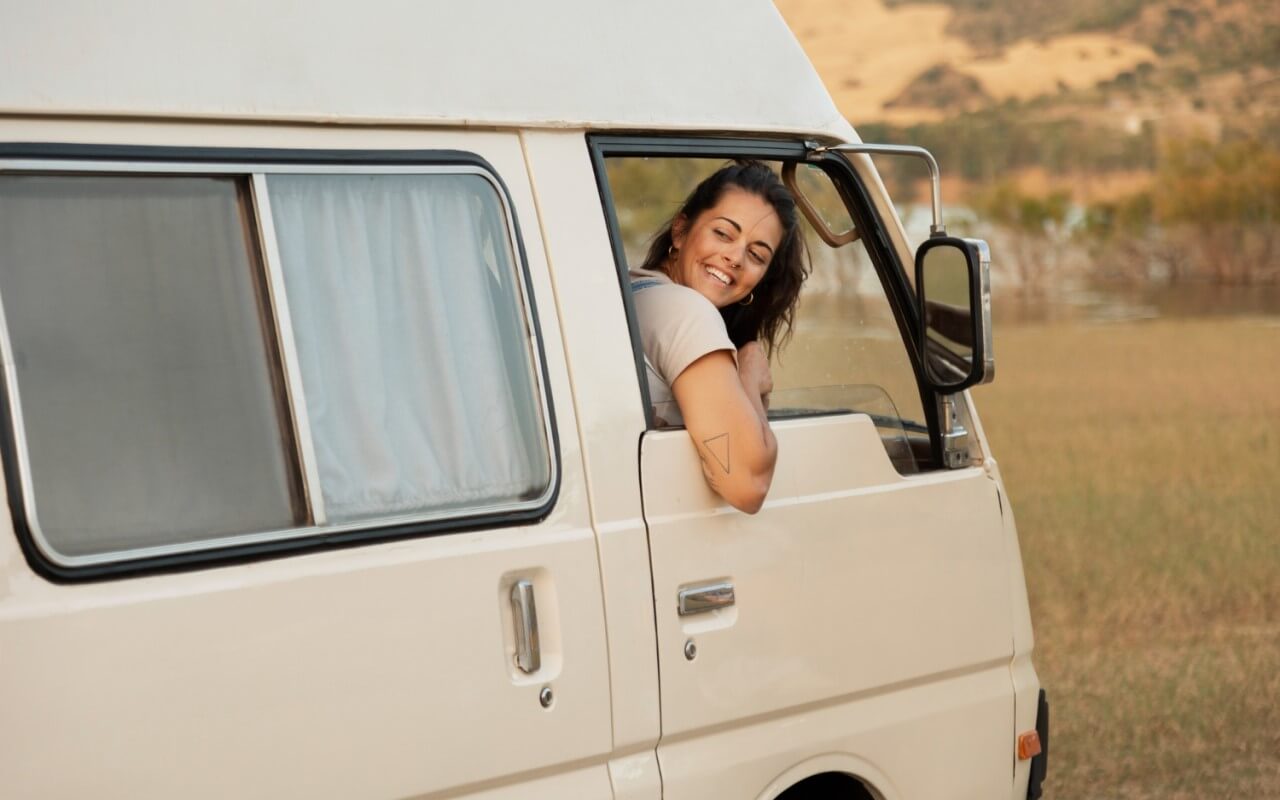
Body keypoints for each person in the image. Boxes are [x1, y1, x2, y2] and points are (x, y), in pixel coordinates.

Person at [630, 161, 809, 513]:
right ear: (681, 231)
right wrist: (749, 376)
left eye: (756, 254)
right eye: (724, 234)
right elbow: (748, 484)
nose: (735, 257)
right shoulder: (687, 311)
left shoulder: (633, 287)